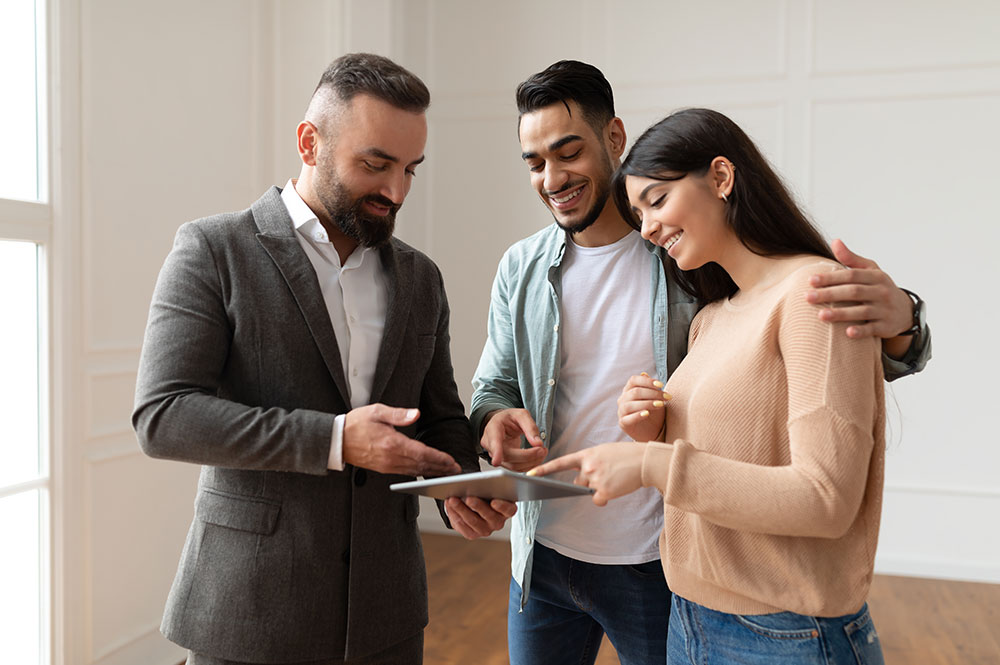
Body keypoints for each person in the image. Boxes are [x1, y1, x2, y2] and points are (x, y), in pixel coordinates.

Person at [470, 61, 930, 665]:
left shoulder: (689, 260)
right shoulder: (524, 267)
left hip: (659, 563)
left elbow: (817, 354)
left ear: (614, 139)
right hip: (547, 557)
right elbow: (495, 384)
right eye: (534, 163)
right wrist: (496, 419)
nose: (552, 178)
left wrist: (904, 321)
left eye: (567, 152)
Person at [132, 53, 513, 665]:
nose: (397, 191)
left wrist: (461, 486)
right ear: (310, 142)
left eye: (411, 169)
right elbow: (163, 416)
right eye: (376, 164)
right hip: (249, 610)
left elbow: (437, 414)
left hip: (386, 615)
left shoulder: (421, 278)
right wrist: (337, 439)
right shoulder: (213, 249)